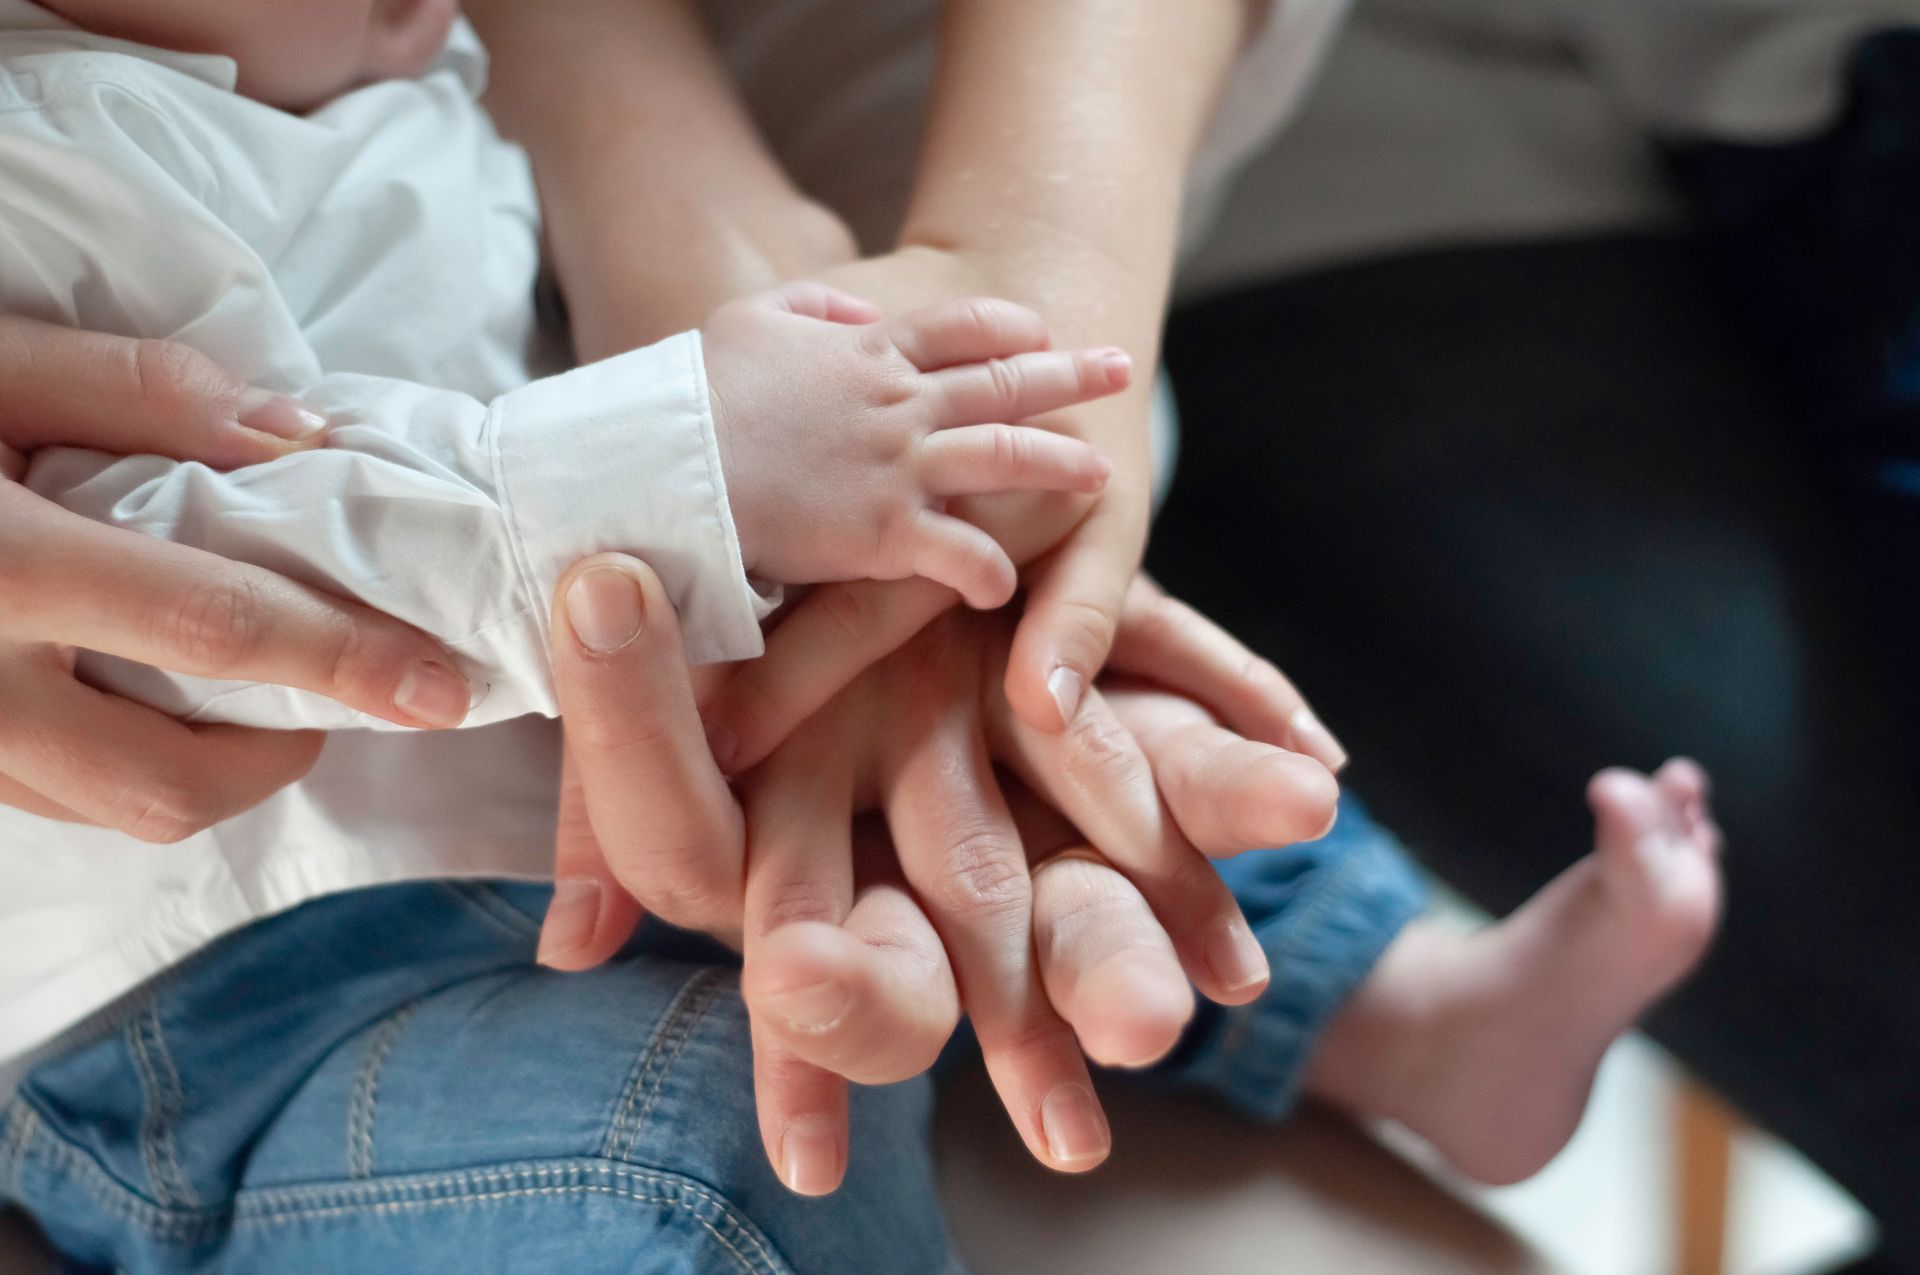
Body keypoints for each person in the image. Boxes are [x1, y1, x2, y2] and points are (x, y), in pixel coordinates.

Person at [0, 2, 1724, 1271]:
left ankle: (1406, 1008)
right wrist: (683, 467)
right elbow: (160, 601)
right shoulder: (47, 157)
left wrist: (840, 499)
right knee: (694, 1149)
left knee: (1064, 707)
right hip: (239, 1002)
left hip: (607, 814)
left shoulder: (400, 66)